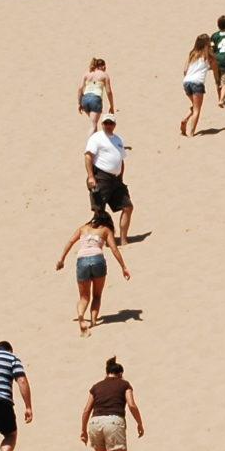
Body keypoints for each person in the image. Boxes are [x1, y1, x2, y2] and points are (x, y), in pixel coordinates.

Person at [79, 357, 145, 451]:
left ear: (107, 373)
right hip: (114, 422)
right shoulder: (124, 384)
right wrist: (139, 423)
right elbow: (132, 405)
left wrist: (83, 430)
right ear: (120, 373)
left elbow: (86, 410)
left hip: (95, 423)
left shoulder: (96, 387)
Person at [55, 209, 130, 335]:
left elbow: (70, 242)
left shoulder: (83, 228)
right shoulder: (106, 230)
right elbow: (114, 249)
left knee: (84, 297)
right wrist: (123, 267)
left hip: (82, 260)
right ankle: (94, 322)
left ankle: (80, 316)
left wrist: (61, 259)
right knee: (97, 295)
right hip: (98, 260)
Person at [85, 114, 134, 245]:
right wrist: (90, 176)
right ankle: (95, 240)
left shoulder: (118, 139)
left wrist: (121, 177)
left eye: (111, 123)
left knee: (128, 206)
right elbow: (88, 156)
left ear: (114, 125)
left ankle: (123, 239)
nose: (108, 125)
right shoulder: (96, 138)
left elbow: (121, 159)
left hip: (116, 180)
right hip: (101, 176)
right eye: (106, 123)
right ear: (102, 124)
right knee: (99, 211)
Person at [179, 33, 217, 137]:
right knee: (197, 110)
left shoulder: (192, 53)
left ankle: (185, 119)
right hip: (197, 83)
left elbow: (185, 70)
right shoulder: (208, 55)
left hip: (186, 82)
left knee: (194, 106)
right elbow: (215, 67)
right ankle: (191, 133)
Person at [78, 57, 116, 130]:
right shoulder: (104, 75)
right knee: (93, 124)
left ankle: (95, 140)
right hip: (95, 99)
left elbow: (80, 89)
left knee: (94, 123)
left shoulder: (87, 74)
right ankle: (90, 141)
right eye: (104, 65)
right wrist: (111, 105)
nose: (105, 67)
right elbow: (109, 92)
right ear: (101, 66)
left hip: (85, 99)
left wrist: (80, 103)